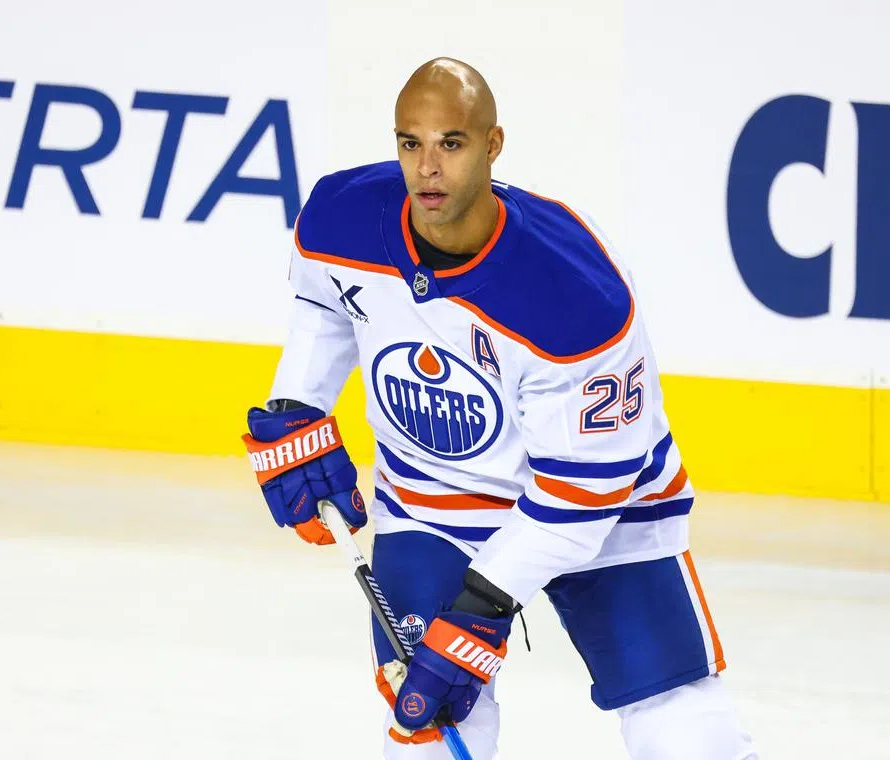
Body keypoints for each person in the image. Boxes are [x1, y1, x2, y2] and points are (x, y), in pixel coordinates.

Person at [242, 58, 758, 759]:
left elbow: (582, 491)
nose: (427, 168)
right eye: (409, 143)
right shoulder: (340, 218)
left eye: (450, 144)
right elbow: (323, 303)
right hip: (435, 495)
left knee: (674, 713)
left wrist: (485, 604)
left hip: (597, 507)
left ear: (492, 145)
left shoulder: (575, 295)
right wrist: (301, 402)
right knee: (427, 708)